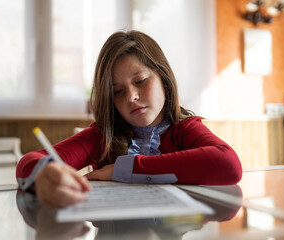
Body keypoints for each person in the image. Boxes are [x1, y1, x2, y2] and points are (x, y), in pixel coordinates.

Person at [16, 30, 242, 208]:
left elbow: (229, 165)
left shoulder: (184, 129)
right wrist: (44, 174)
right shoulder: (101, 137)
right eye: (117, 91)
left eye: (141, 81)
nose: (132, 97)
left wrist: (123, 169)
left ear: (164, 78)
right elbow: (29, 162)